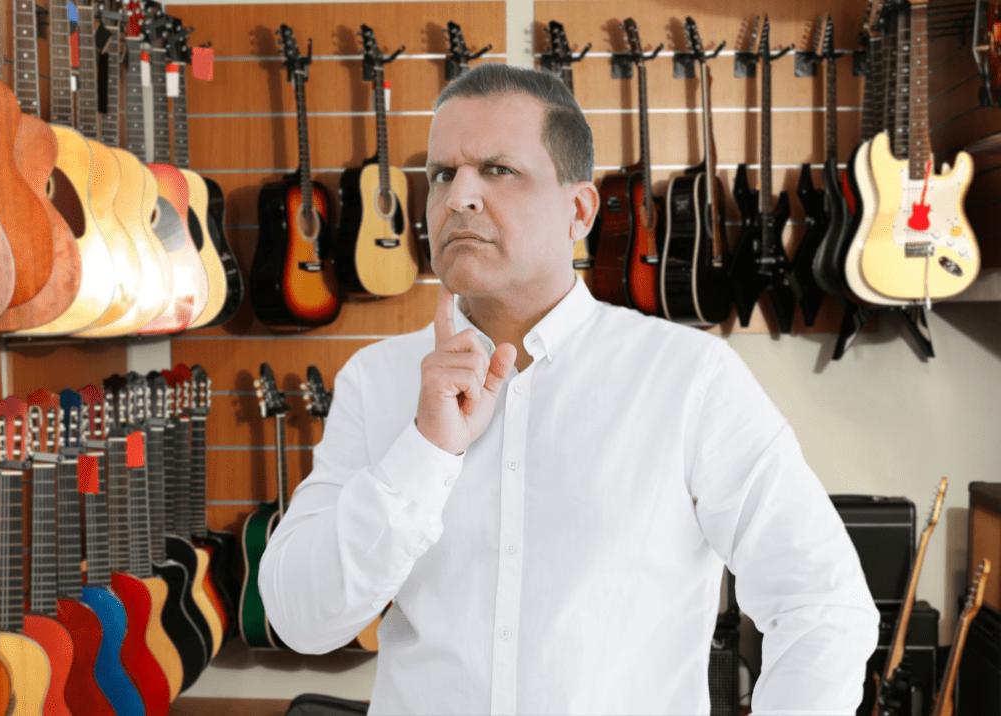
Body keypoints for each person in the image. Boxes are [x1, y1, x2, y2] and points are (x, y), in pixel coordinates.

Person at [258, 63, 879, 715]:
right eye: (442, 174)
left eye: (498, 170)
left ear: (579, 210)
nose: (457, 197)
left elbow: (821, 604)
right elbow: (303, 619)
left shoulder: (690, 379)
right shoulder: (378, 380)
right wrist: (424, 453)